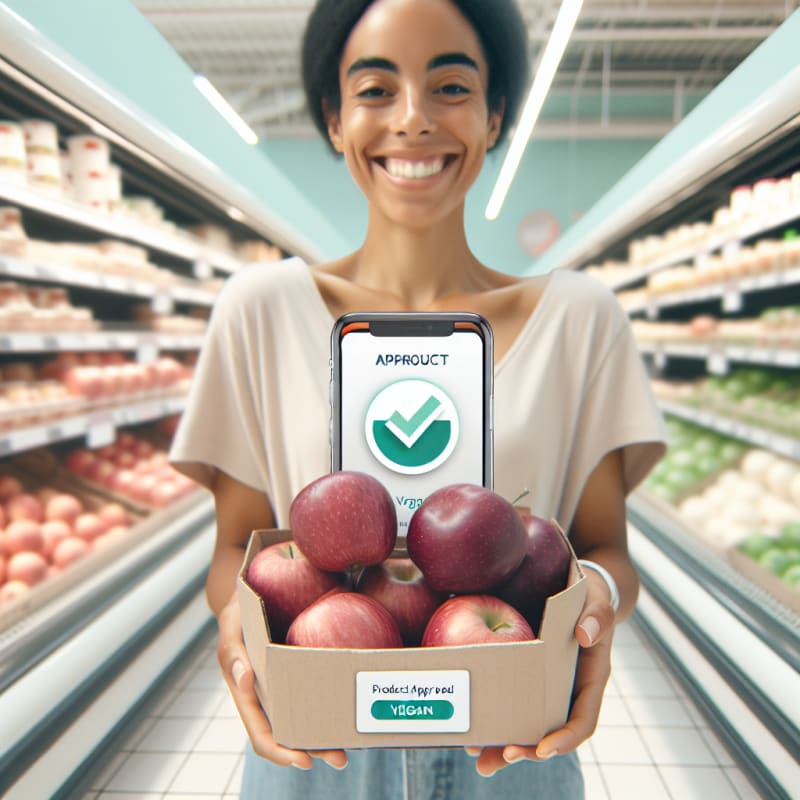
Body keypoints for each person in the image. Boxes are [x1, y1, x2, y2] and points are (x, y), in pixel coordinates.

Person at [169, 0, 667, 797]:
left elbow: (604, 551)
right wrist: (239, 632)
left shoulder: (580, 320)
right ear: (333, 120)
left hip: (512, 748)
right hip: (319, 750)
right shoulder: (258, 310)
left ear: (496, 114)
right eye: (374, 90)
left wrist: (593, 612)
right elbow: (240, 550)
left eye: (451, 87)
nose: (412, 120)